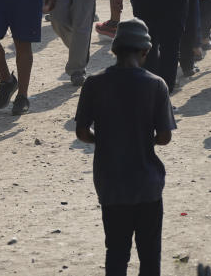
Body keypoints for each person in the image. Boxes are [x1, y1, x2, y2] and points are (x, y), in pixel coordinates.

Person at [75, 18, 176, 276]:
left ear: (114, 50)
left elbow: (82, 132)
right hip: (147, 185)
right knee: (150, 256)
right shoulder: (156, 85)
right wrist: (142, 139)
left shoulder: (94, 84)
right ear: (145, 51)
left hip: (111, 184)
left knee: (117, 253)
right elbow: (164, 137)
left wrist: (107, 138)